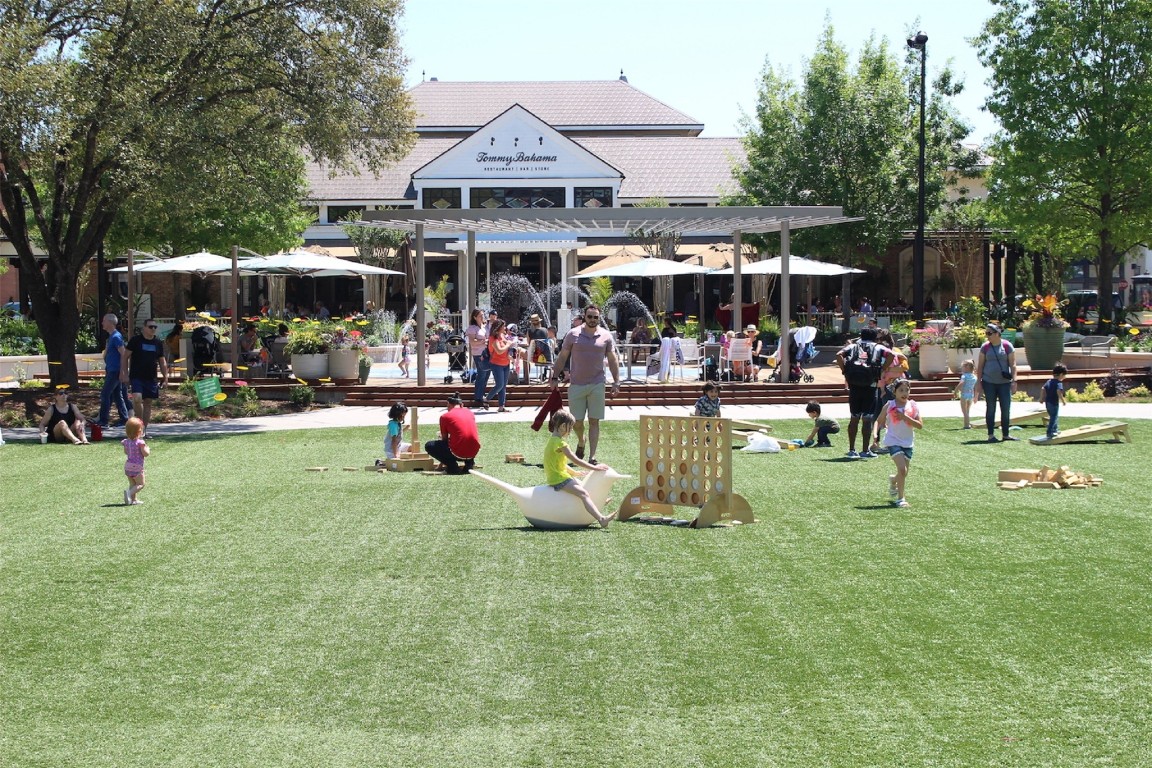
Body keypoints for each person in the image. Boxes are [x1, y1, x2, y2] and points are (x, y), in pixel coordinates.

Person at [549, 305, 621, 463]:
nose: (593, 320)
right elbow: (562, 357)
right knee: (577, 422)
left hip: (597, 384)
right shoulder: (573, 334)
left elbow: (612, 359)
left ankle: (592, 456)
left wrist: (616, 381)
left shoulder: (606, 336)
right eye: (590, 316)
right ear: (584, 316)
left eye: (596, 317)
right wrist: (555, 376)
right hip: (577, 384)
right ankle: (582, 441)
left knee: (594, 421)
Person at [544, 408, 616, 529]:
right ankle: (601, 519)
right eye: (570, 427)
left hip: (558, 477)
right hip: (559, 479)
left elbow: (558, 464)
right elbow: (576, 460)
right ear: (562, 426)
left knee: (584, 488)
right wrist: (595, 468)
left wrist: (575, 473)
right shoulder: (561, 444)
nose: (571, 431)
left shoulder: (552, 441)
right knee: (583, 493)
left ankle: (599, 502)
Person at [835, 326, 892, 459]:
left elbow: (839, 355)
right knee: (867, 419)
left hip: (854, 385)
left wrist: (844, 370)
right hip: (870, 385)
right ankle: (865, 451)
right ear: (875, 337)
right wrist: (882, 369)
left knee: (854, 418)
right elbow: (892, 355)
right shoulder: (878, 347)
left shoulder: (853, 346)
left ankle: (851, 450)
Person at [879, 380, 923, 508]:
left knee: (903, 473)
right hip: (893, 441)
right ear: (895, 392)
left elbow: (920, 425)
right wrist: (875, 436)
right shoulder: (890, 405)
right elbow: (879, 420)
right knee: (902, 470)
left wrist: (906, 418)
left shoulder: (913, 405)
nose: (904, 393)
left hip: (908, 442)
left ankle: (894, 480)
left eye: (907, 390)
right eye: (901, 390)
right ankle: (901, 499)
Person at [120, 318, 169, 430]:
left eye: (155, 327)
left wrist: (165, 377)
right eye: (150, 327)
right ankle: (139, 426)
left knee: (148, 403)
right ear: (144, 328)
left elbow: (162, 361)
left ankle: (143, 431)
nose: (153, 329)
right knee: (137, 398)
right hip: (136, 376)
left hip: (151, 378)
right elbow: (125, 357)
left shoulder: (157, 343)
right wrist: (124, 373)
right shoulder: (135, 340)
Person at [974, 323, 1018, 442]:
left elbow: (1013, 365)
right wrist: (979, 382)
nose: (987, 336)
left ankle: (1005, 435)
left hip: (1004, 383)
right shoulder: (985, 347)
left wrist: (1015, 380)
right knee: (991, 407)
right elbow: (980, 366)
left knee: (1005, 408)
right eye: (986, 333)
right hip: (989, 382)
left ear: (997, 333)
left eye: (989, 333)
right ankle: (991, 435)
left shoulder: (1007, 346)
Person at [425, 393, 480, 475]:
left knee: (429, 445)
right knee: (466, 440)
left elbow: (444, 440)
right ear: (462, 405)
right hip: (474, 451)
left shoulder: (445, 416)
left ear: (448, 404)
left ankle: (452, 467)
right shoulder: (470, 413)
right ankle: (469, 463)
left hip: (458, 453)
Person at [97, 313, 132, 428]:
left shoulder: (116, 337)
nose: (102, 323)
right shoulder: (112, 337)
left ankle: (103, 421)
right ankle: (124, 419)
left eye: (104, 321)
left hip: (115, 371)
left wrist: (123, 372)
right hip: (112, 370)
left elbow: (123, 354)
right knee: (117, 395)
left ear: (110, 323)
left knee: (105, 394)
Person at [482, 319, 514, 412]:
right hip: (496, 364)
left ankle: (501, 406)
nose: (505, 328)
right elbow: (499, 350)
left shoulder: (503, 336)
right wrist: (508, 344)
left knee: (503, 386)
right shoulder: (493, 338)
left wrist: (511, 353)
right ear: (499, 327)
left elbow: (506, 349)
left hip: (506, 364)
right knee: (499, 385)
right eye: (503, 326)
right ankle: (487, 399)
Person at [121, 416, 150, 505]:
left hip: (128, 466)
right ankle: (129, 493)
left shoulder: (126, 442)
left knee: (133, 484)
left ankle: (134, 500)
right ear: (139, 431)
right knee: (141, 484)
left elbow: (126, 452)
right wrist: (147, 449)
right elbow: (145, 454)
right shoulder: (140, 443)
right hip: (137, 467)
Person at [465, 308, 490, 405]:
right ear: (475, 317)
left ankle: (481, 393)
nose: (482, 317)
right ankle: (478, 396)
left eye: (483, 315)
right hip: (478, 354)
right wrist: (483, 341)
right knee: (482, 373)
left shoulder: (484, 327)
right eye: (480, 316)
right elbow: (472, 342)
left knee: (487, 373)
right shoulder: (472, 328)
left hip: (486, 353)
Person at [1041, 362, 1068, 440]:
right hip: (1054, 403)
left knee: (1053, 416)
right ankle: (1049, 432)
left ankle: (1055, 430)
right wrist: (1063, 401)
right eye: (1064, 375)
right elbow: (1059, 392)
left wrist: (1041, 398)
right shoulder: (1059, 383)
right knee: (1054, 417)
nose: (1064, 377)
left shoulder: (1049, 381)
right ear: (1061, 375)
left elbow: (1043, 388)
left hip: (1047, 403)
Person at [953, 359, 978, 430]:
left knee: (964, 411)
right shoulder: (974, 376)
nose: (962, 368)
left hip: (964, 394)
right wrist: (976, 396)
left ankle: (967, 425)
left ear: (967, 368)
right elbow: (976, 387)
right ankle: (966, 424)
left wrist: (956, 391)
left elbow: (961, 383)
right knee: (968, 410)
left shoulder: (964, 376)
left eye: (963, 367)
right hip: (971, 394)